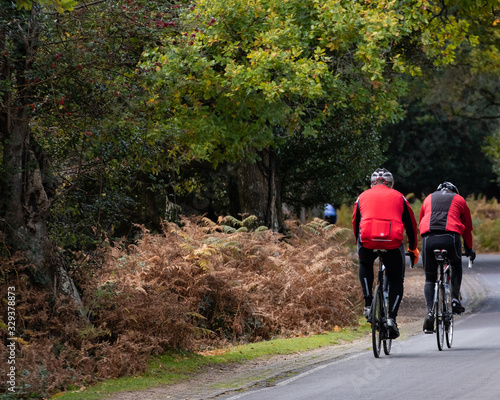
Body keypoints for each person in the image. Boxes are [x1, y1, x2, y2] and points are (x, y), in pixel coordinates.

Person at [352, 168, 419, 339]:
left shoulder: (362, 196)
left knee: (365, 263)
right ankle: (391, 319)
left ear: (372, 183)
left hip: (367, 240)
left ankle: (368, 304)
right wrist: (412, 247)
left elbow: (355, 222)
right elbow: (411, 224)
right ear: (390, 184)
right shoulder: (399, 197)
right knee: (396, 278)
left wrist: (358, 243)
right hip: (392, 242)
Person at [419, 181, 476, 333]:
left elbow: (421, 223)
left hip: (428, 238)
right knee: (456, 264)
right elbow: (467, 229)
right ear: (454, 192)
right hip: (450, 237)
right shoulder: (459, 199)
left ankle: (430, 312)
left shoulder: (428, 198)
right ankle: (455, 299)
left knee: (430, 278)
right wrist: (469, 249)